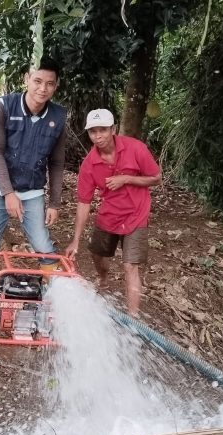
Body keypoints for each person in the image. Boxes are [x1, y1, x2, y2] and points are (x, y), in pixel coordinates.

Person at [0, 58, 67, 321]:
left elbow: (57, 163)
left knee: (44, 247)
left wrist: (54, 203)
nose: (42, 89)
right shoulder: (4, 106)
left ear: (55, 87)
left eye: (49, 84)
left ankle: (54, 304)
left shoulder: (58, 116)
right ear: (26, 79)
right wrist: (8, 193)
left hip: (32, 191)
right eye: (37, 81)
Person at [64, 109, 161, 317]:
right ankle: (104, 277)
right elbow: (84, 202)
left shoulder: (136, 149)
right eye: (93, 132)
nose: (98, 136)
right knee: (97, 253)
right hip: (110, 213)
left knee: (130, 265)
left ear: (113, 130)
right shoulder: (89, 164)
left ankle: (133, 317)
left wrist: (126, 179)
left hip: (136, 213)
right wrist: (76, 240)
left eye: (103, 130)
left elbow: (156, 177)